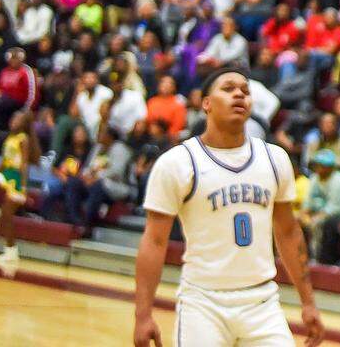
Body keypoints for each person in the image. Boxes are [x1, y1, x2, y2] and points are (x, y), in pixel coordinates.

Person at [133, 68, 325, 347]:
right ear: (206, 103)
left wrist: (308, 302)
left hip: (262, 302)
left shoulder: (275, 159)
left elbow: (288, 233)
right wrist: (143, 315)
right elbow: (154, 240)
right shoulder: (178, 163)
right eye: (228, 88)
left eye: (245, 91)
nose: (239, 94)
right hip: (203, 303)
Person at [0, 110, 39, 276]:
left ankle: (11, 251)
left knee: (7, 217)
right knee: (4, 215)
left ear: (24, 124)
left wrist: (23, 188)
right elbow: (4, 161)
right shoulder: (9, 137)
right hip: (5, 173)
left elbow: (24, 166)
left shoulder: (23, 139)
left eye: (17, 119)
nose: (13, 120)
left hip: (15, 178)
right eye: (13, 117)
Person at [299, 149, 340, 260]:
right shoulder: (315, 178)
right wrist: (304, 214)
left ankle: (318, 259)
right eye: (318, 165)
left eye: (322, 165)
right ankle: (299, 257)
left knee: (318, 224)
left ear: (330, 167)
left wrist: (314, 219)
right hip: (319, 211)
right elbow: (308, 201)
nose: (318, 168)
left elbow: (334, 208)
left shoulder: (339, 181)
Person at [0, 47, 37, 131]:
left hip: (19, 104)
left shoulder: (26, 71)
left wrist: (26, 110)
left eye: (16, 58)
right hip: (3, 102)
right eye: (12, 58)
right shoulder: (5, 71)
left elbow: (32, 93)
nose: (14, 61)